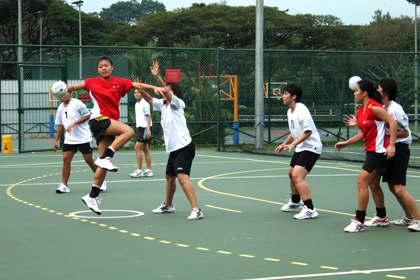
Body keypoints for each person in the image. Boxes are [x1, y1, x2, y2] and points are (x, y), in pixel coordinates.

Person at [67, 56, 167, 215]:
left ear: (112, 67)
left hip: (109, 122)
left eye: (106, 66)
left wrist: (154, 87)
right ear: (98, 69)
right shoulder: (91, 82)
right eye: (100, 67)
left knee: (103, 166)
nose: (103, 68)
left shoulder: (120, 82)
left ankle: (92, 196)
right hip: (99, 119)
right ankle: (106, 156)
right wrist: (63, 87)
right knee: (128, 131)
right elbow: (72, 87)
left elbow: (138, 84)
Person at [344, 78, 420, 232]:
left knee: (398, 188)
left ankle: (417, 218)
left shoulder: (393, 109)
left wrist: (389, 142)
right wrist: (360, 126)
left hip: (397, 149)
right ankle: (400, 216)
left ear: (385, 92)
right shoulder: (376, 107)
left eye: (378, 88)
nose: (376, 90)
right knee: (384, 186)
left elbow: (405, 132)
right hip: (384, 148)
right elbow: (372, 126)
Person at [138, 61, 203, 220]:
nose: (164, 91)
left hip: (184, 146)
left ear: (174, 94)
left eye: (168, 90)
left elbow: (166, 93)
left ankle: (196, 209)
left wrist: (157, 77)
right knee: (169, 177)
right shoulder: (163, 105)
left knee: (182, 177)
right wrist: (140, 88)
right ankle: (168, 205)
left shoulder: (177, 104)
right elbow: (151, 100)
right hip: (174, 149)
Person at [335, 79, 397, 233]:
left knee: (361, 182)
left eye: (356, 90)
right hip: (371, 151)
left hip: (379, 152)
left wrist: (392, 145)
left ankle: (359, 221)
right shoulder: (361, 110)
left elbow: (393, 122)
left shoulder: (375, 107)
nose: (354, 93)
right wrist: (347, 142)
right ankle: (382, 217)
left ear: (364, 93)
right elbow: (365, 132)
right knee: (373, 185)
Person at [275, 84, 322, 220]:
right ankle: (296, 201)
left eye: (285, 93)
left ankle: (310, 208)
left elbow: (308, 132)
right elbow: (294, 131)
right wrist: (285, 144)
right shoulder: (290, 111)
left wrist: (293, 144)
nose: (282, 96)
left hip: (311, 147)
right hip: (301, 147)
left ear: (294, 96)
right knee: (291, 173)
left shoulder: (302, 110)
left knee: (297, 175)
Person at [54, 91, 107, 193]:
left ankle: (101, 181)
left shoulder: (77, 103)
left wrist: (74, 123)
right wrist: (56, 140)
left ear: (70, 93)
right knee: (66, 160)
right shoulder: (60, 108)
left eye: (67, 92)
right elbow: (60, 125)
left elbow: (87, 115)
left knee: (89, 160)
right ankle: (64, 185)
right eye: (63, 94)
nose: (65, 95)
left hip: (83, 138)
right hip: (69, 139)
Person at [130, 88, 153, 178]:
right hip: (140, 128)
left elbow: (148, 116)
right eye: (135, 93)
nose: (136, 94)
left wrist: (148, 130)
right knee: (145, 149)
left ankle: (139, 171)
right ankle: (149, 170)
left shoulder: (145, 103)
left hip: (145, 128)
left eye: (138, 93)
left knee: (137, 148)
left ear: (142, 94)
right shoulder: (137, 104)